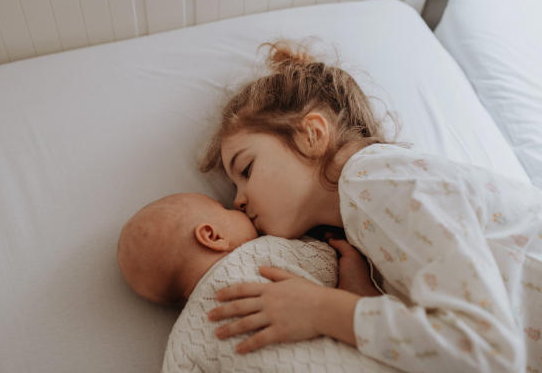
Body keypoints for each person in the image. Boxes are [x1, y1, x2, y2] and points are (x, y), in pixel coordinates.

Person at [198, 39, 542, 373]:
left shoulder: (374, 179)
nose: (236, 201)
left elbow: (488, 352)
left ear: (312, 135)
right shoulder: (366, 216)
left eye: (245, 170)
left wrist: (322, 309)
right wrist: (368, 300)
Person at [117, 192, 400, 372]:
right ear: (212, 237)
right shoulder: (258, 254)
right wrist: (351, 275)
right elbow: (325, 261)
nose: (237, 205)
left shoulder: (180, 344)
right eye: (225, 209)